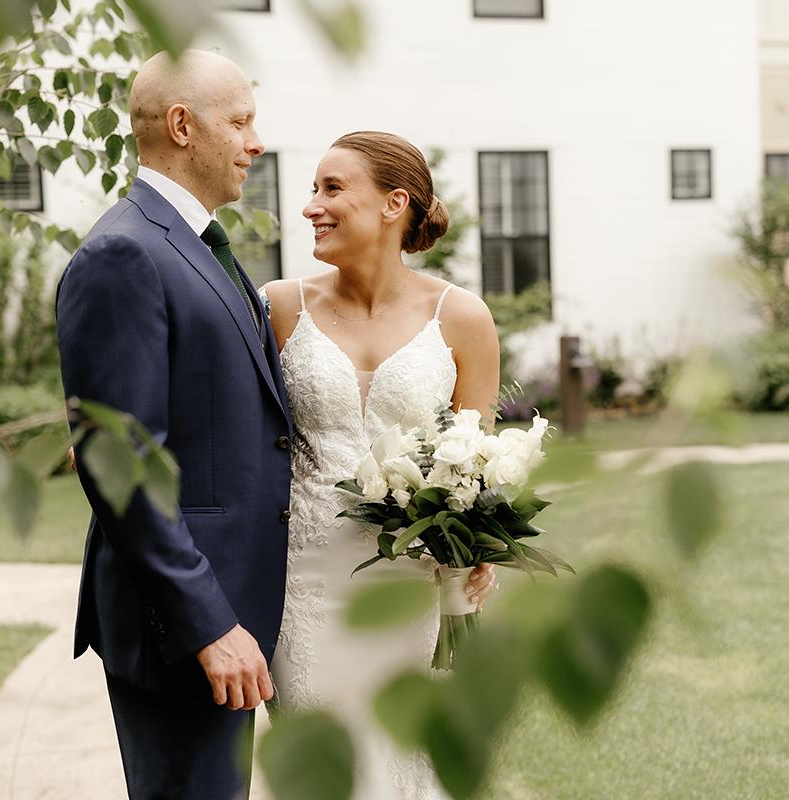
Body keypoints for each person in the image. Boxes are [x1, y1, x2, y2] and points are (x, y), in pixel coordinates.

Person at [55, 50, 292, 799]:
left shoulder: (194, 245)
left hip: (232, 607)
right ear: (184, 126)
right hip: (186, 629)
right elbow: (120, 464)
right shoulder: (124, 252)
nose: (256, 142)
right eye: (242, 121)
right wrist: (208, 624)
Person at [261, 131, 500, 798]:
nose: (311, 205)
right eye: (313, 188)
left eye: (332, 188)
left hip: (413, 594)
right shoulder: (279, 308)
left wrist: (478, 549)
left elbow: (474, 466)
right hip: (302, 594)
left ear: (395, 204)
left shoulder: (463, 319)